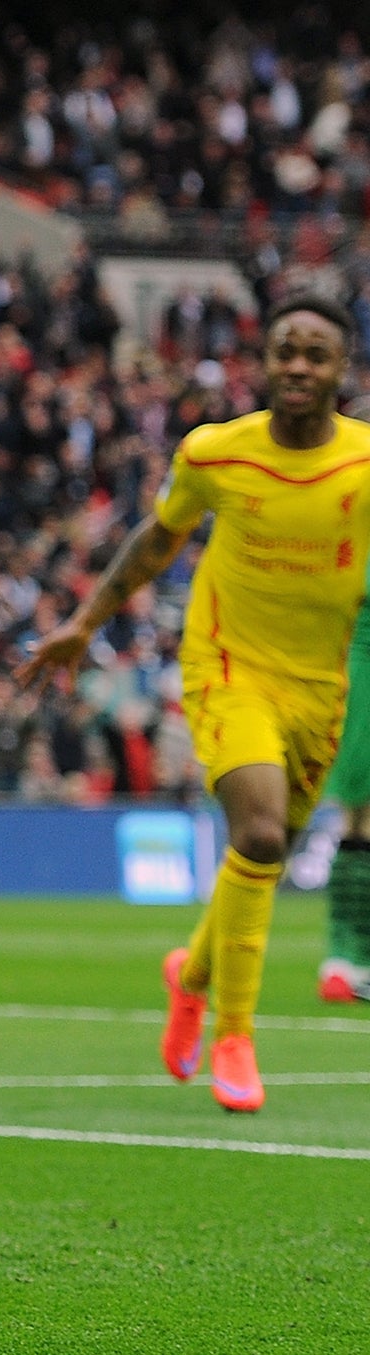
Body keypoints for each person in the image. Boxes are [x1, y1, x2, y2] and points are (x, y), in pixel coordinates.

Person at [18, 294, 370, 1113]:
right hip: (227, 667)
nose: (298, 366)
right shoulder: (217, 453)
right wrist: (84, 622)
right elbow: (157, 537)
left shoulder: (362, 464)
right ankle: (234, 1037)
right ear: (265, 360)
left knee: (269, 852)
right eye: (286, 350)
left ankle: (194, 973)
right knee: (255, 831)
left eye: (316, 354)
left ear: (341, 370)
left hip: (321, 687)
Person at [318, 392, 370, 1004]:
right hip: (362, 655)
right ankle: (345, 954)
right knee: (359, 812)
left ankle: (347, 957)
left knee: (359, 813)